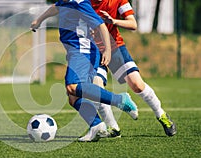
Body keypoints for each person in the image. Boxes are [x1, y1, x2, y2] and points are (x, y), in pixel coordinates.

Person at [31, 0, 138, 142]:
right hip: (76, 51)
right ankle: (96, 126)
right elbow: (55, 8)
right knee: (73, 97)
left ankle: (121, 100)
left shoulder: (80, 3)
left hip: (83, 51)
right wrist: (39, 20)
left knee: (72, 86)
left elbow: (101, 25)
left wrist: (107, 50)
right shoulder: (66, 1)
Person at [83, 0, 176, 138]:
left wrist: (113, 21)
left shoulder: (117, 1)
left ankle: (161, 115)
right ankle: (113, 128)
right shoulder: (83, 2)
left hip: (115, 47)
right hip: (93, 50)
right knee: (97, 89)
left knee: (137, 85)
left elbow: (133, 24)